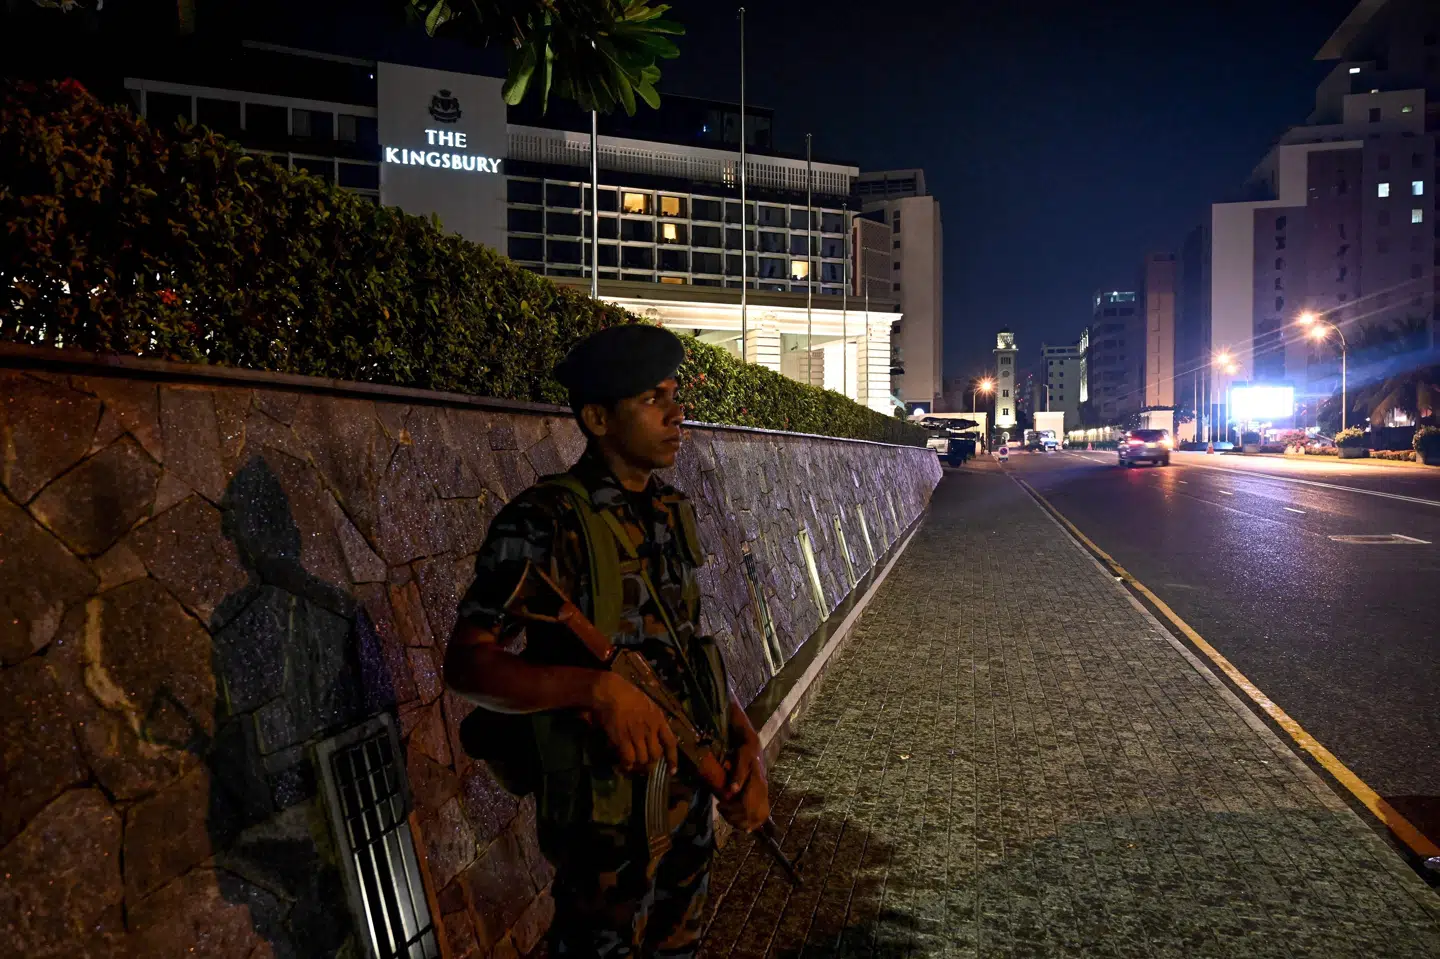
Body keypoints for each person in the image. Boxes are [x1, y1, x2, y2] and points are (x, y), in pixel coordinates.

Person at [445, 324, 771, 957]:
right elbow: (466, 665)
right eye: (654, 398)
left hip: (690, 815)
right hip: (603, 833)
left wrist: (743, 743)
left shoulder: (672, 510)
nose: (678, 413)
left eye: (675, 393)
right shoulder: (542, 520)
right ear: (597, 418)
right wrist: (595, 691)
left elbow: (686, 648)